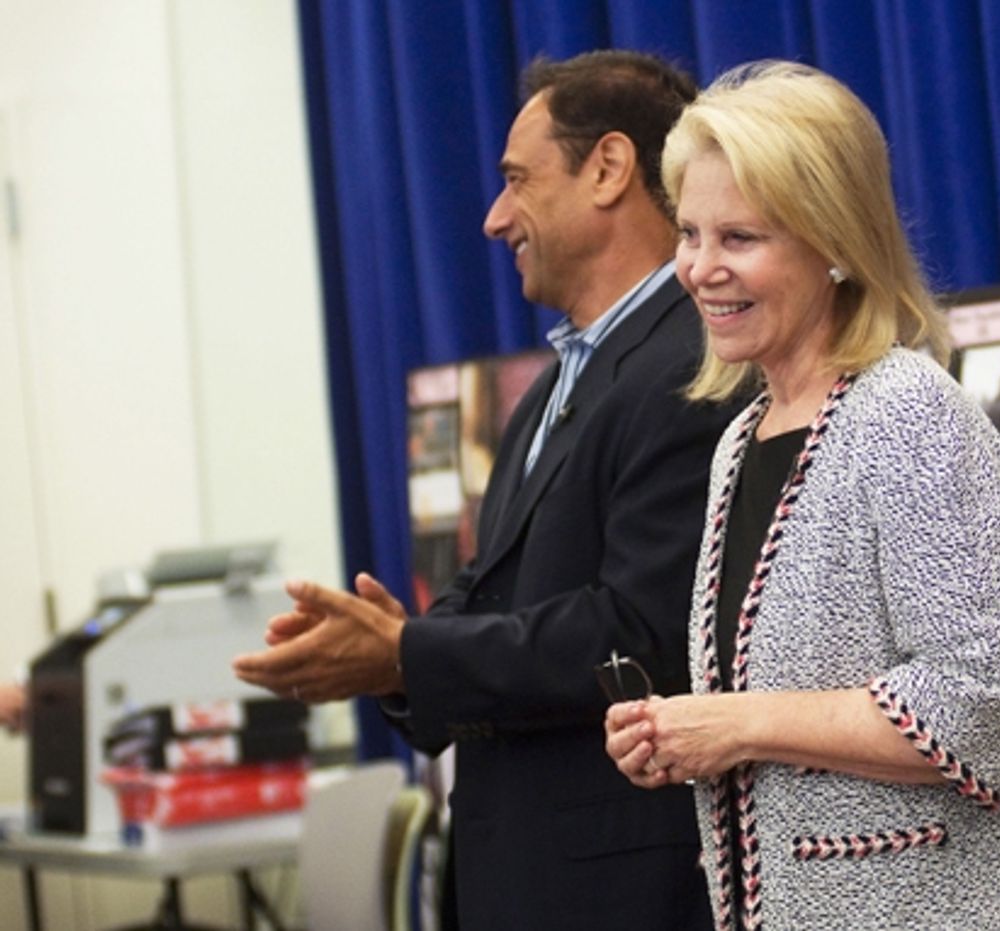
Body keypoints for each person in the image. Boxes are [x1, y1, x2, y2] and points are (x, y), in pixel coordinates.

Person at [235, 50, 741, 929]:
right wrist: (396, 649)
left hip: (623, 894)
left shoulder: (692, 363)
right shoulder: (549, 389)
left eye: (516, 180)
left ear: (608, 169)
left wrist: (407, 653)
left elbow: (641, 631)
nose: (494, 218)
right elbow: (494, 589)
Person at [603, 61, 1000, 928]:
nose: (700, 269)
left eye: (739, 238)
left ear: (833, 243)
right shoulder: (739, 443)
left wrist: (736, 724)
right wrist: (680, 732)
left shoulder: (907, 412)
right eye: (689, 233)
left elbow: (982, 705)